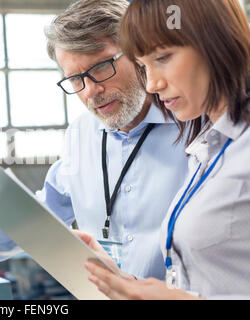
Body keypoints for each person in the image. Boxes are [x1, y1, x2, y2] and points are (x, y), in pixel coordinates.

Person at [0, 0, 189, 281]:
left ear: (138, 53)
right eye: (75, 79)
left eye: (102, 67)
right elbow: (43, 217)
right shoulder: (81, 133)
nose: (91, 91)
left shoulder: (195, 127)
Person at [81, 0, 250, 299]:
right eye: (144, 66)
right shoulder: (206, 149)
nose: (152, 85)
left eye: (163, 57)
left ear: (215, 40)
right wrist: (122, 280)